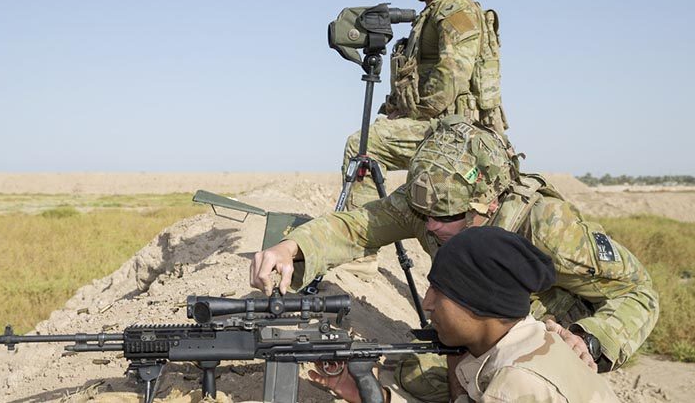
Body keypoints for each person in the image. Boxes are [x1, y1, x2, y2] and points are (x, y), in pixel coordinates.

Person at [250, 116, 659, 402]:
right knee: (418, 371)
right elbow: (356, 227)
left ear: (490, 200)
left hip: (541, 347)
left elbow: (639, 291)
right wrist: (292, 248)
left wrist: (589, 339)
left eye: (447, 219)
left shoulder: (547, 226)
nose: (431, 228)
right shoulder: (429, 201)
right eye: (423, 216)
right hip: (475, 337)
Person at [308, 226, 620, 402]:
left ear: (479, 304)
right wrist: (378, 399)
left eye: (439, 292)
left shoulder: (515, 384)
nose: (427, 303)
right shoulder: (532, 341)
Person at [343, 0, 508, 210]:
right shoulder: (432, 12)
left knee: (363, 144)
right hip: (440, 122)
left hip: (455, 128)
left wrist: (411, 113)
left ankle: (359, 236)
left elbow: (450, 78)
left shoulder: (455, 10)